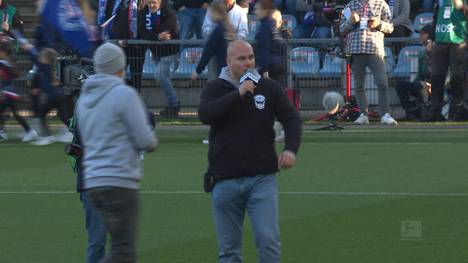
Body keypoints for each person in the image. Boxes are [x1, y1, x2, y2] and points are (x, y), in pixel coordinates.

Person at [198, 40, 302, 263]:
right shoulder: (215, 88)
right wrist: (238, 94)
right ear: (228, 61)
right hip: (224, 179)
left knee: (268, 241)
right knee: (229, 252)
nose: (248, 63)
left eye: (251, 58)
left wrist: (291, 149)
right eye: (241, 59)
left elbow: (291, 118)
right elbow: (205, 114)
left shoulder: (268, 87)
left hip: (261, 178)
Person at [77, 43, 157, 262]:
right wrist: (150, 140)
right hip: (119, 180)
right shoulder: (124, 94)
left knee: (117, 249)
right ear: (120, 67)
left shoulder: (84, 99)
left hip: (92, 181)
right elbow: (145, 140)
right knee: (123, 252)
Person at [339, 0, 398, 125]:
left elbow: (390, 27)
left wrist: (379, 24)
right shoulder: (350, 5)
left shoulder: (381, 4)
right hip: (355, 49)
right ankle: (363, 115)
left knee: (382, 82)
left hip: (375, 49)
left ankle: (385, 114)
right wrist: (350, 21)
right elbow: (341, 29)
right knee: (359, 85)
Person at [138, 0, 181, 118]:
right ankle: (172, 106)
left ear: (160, 2)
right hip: (156, 51)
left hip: (169, 51)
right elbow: (141, 32)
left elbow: (165, 31)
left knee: (159, 75)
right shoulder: (142, 13)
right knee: (164, 77)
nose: (152, 5)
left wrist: (151, 35)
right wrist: (156, 36)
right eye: (150, 2)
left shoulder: (169, 13)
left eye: (154, 3)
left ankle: (174, 103)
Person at [428, 0, 467, 121]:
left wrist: (462, 6)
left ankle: (456, 112)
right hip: (440, 41)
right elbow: (435, 18)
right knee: (436, 78)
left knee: (456, 77)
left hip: (459, 41)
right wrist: (430, 39)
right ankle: (435, 113)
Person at [0, 40, 37, 142]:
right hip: (10, 92)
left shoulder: (4, 62)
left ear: (3, 51)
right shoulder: (9, 61)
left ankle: (29, 131)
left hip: (7, 93)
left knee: (12, 113)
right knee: (14, 113)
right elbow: (17, 75)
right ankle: (29, 131)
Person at [202, 0, 249, 80]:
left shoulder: (240, 12)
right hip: (215, 54)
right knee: (215, 79)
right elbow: (205, 28)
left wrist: (233, 39)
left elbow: (243, 31)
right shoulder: (213, 9)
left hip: (234, 53)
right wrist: (215, 34)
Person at [395, 24, 433, 121]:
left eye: (423, 34)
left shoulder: (438, 51)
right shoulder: (422, 52)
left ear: (430, 36)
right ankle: (410, 112)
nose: (420, 36)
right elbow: (420, 74)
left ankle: (426, 114)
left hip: (436, 86)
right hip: (423, 85)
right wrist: (415, 84)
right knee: (401, 85)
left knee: (421, 85)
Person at [191, 1, 235, 81]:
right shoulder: (228, 27)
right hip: (229, 67)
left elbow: (208, 50)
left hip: (223, 69)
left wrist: (198, 70)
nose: (209, 15)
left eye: (211, 12)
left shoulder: (218, 30)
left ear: (216, 12)